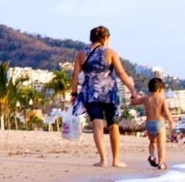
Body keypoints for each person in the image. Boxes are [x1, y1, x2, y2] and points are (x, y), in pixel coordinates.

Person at [69, 25, 137, 168]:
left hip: (90, 95)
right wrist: (132, 89)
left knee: (97, 127)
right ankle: (116, 160)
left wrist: (74, 94)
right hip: (109, 94)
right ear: (105, 38)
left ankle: (103, 160)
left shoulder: (81, 54)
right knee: (113, 126)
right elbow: (121, 73)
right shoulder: (110, 53)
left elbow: (75, 75)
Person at [138, 77, 169, 170]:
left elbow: (133, 102)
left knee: (152, 142)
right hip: (159, 124)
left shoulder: (145, 99)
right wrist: (171, 121)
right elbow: (166, 112)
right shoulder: (161, 99)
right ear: (160, 89)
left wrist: (133, 95)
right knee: (161, 146)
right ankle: (161, 163)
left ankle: (151, 155)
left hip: (149, 124)